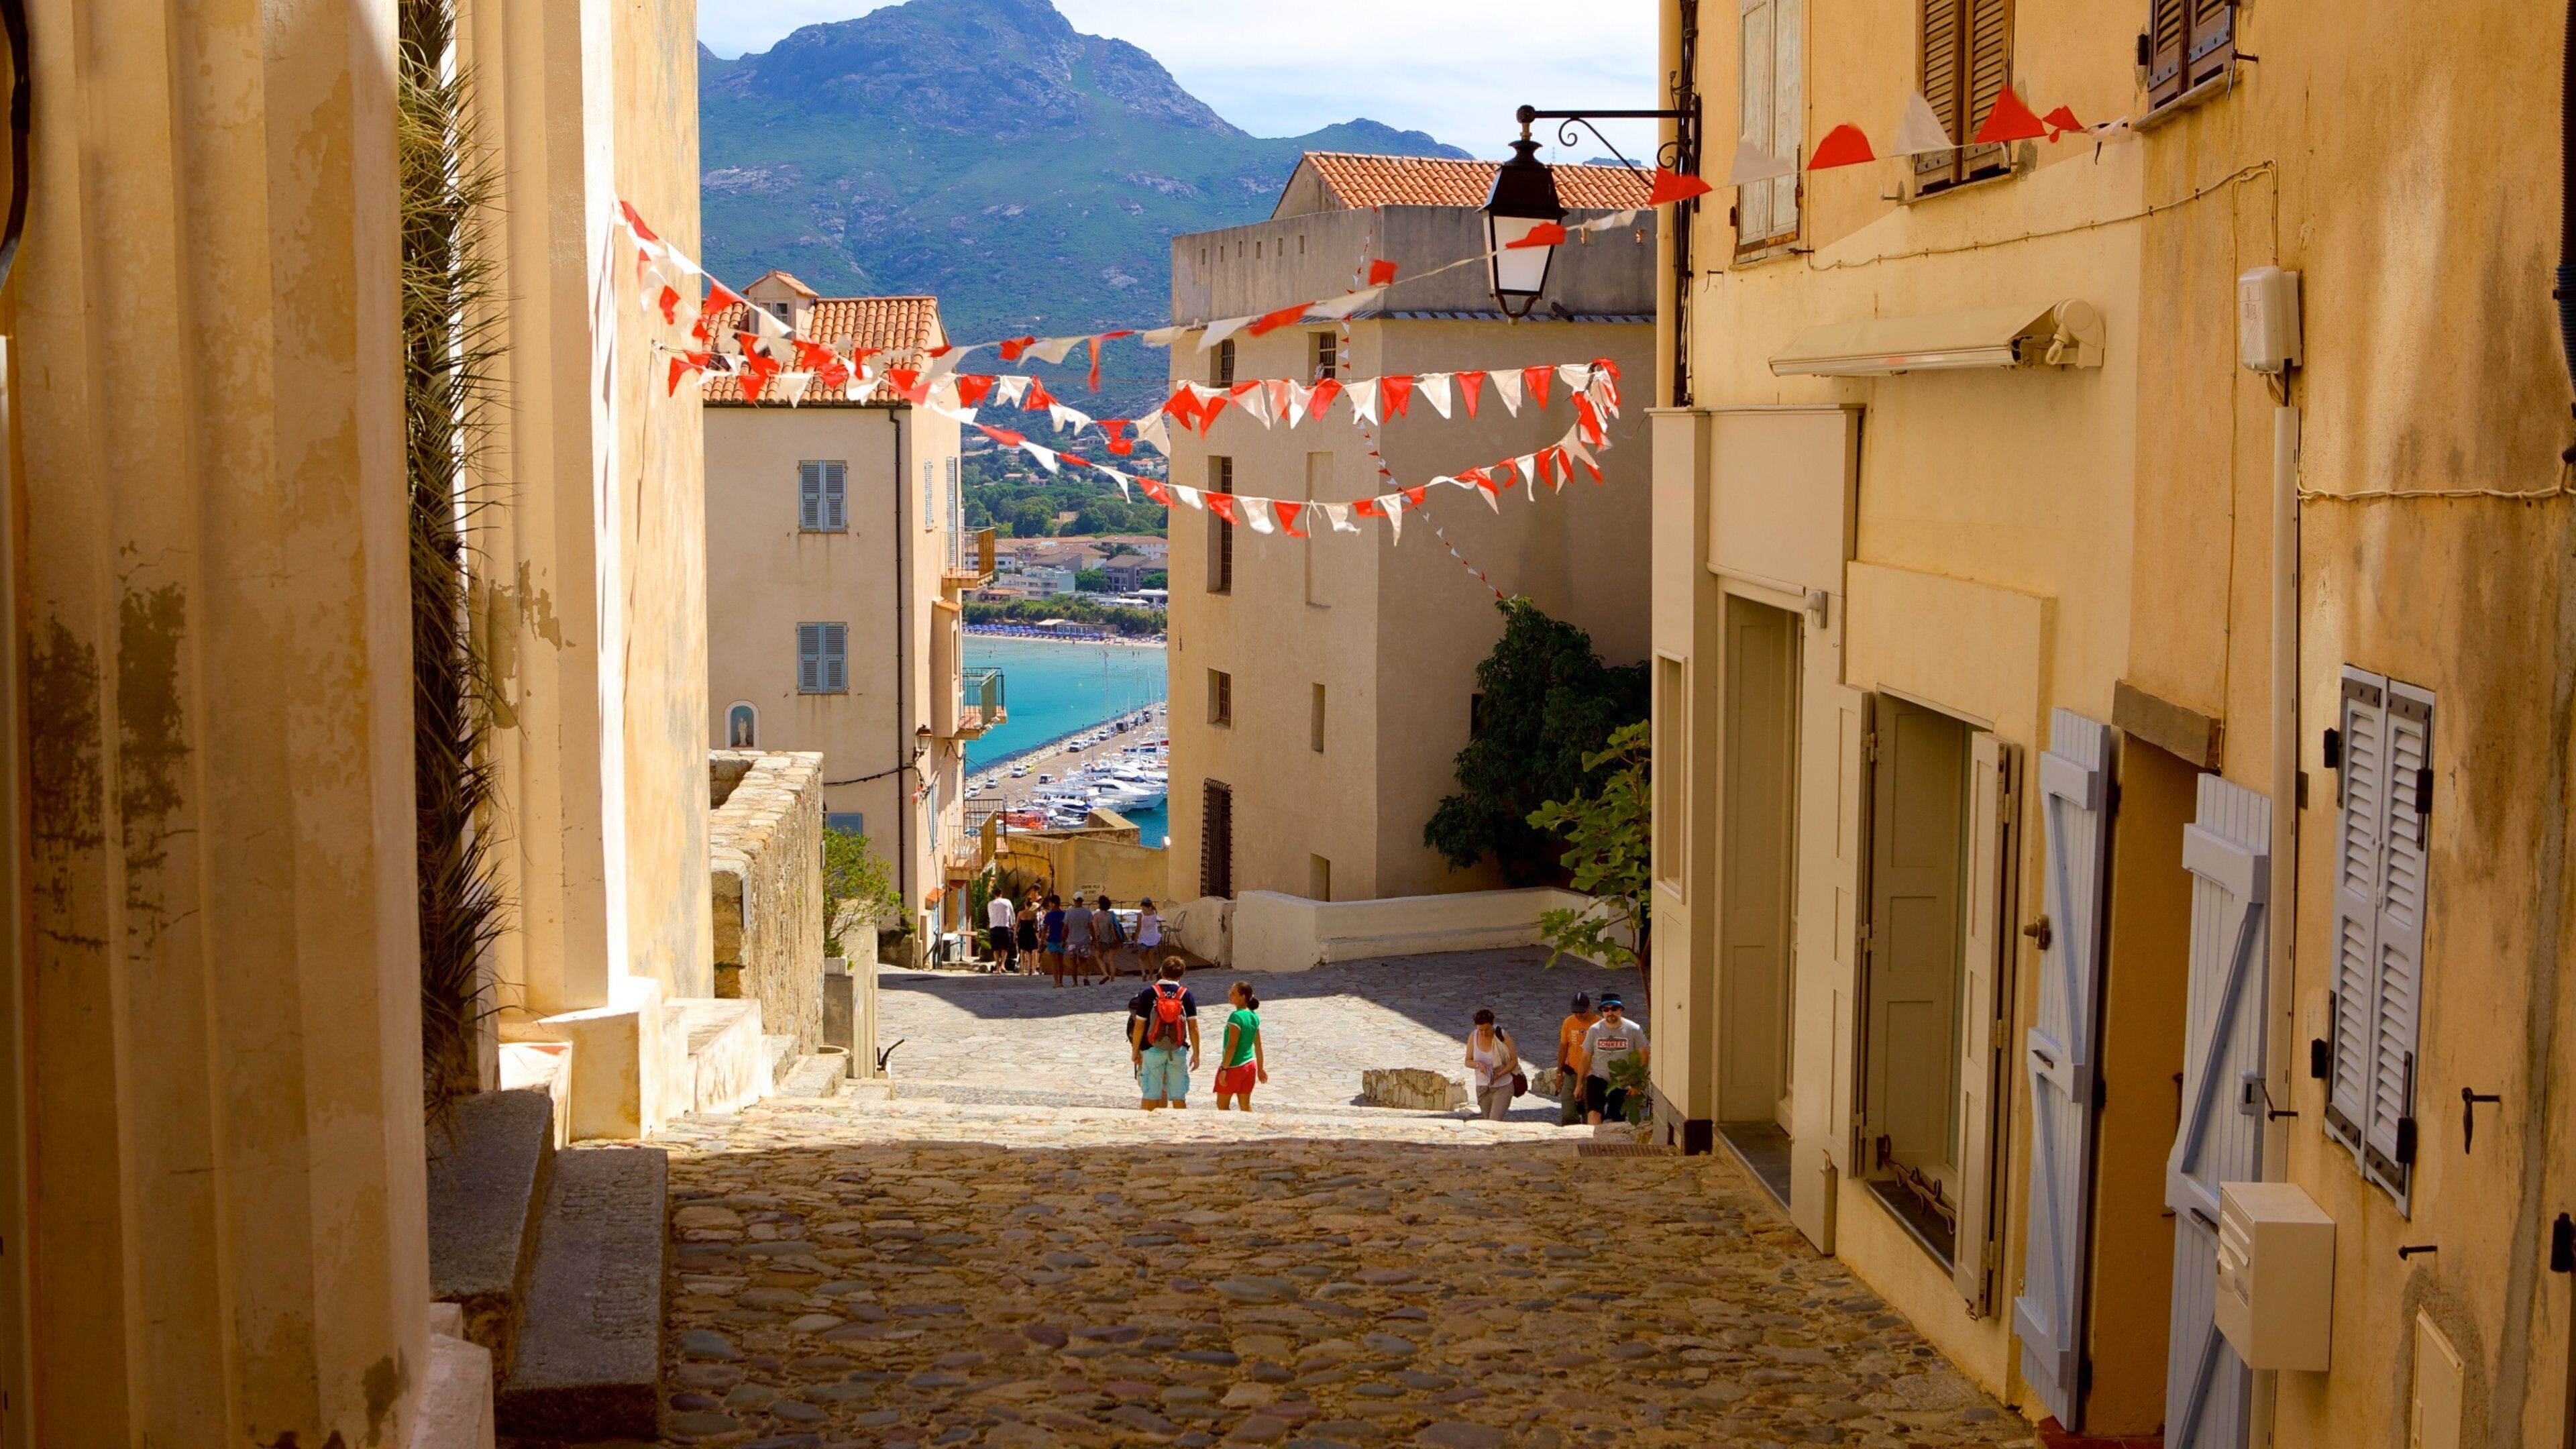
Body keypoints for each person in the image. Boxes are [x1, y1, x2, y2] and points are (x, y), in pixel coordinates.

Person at [1129, 962, 1200, 1110]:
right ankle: (1179, 1123)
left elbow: (1140, 1026)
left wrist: (1135, 1050)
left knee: (1150, 1095)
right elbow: (1193, 1028)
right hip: (1177, 1049)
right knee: (1179, 1097)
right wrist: (1196, 1054)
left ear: (1162, 973)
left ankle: (1146, 1122)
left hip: (1153, 1049)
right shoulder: (1185, 994)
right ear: (1180, 975)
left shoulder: (1149, 993)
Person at [1578, 994, 1650, 1126]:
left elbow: (1644, 1055)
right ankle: (1593, 1138)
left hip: (1622, 1080)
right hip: (1598, 1077)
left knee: (1616, 1119)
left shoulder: (1634, 1029)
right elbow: (1585, 1057)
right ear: (1602, 1012)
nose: (1610, 1012)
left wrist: (1638, 1084)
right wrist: (1579, 1084)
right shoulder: (1594, 1030)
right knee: (1593, 1113)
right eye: (1606, 1009)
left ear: (1621, 1009)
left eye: (1614, 1009)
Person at [1213, 981, 1266, 1110]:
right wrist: (1260, 1069)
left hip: (1234, 1067)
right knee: (1245, 1106)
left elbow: (1232, 1046)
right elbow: (1258, 1046)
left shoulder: (1236, 1017)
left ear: (1242, 997)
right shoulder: (1254, 1017)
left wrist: (1224, 1069)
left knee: (1222, 1105)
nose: (1229, 995)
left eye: (1233, 993)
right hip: (1250, 1066)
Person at [1463, 1009, 1520, 1121]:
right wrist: (1479, 1065)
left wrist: (1499, 1074)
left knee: (1494, 1120)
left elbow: (1514, 1061)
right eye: (1481, 1030)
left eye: (1487, 1029)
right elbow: (1468, 1061)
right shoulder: (1473, 1037)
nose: (1484, 1033)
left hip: (1503, 1086)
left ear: (1492, 1024)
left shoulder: (1502, 1035)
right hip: (1483, 1088)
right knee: (1487, 1122)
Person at [1555, 992, 1599, 1126]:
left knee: (1589, 1114)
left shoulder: (1599, 1024)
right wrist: (1559, 1072)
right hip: (1572, 1072)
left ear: (1589, 1008)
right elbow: (1564, 1047)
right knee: (1568, 1112)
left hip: (1591, 1075)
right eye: (1575, 1012)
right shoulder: (1568, 1022)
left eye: (1582, 1011)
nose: (1579, 1015)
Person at [1092, 894, 1129, 980]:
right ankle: (1112, 979)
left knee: (1099, 957)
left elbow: (1096, 929)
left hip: (1103, 940)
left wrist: (1095, 940)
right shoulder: (1112, 915)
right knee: (1112, 960)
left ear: (1100, 904)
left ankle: (1105, 974)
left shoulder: (1096, 916)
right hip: (1113, 939)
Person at [1061, 895, 1096, 985]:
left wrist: (1063, 940)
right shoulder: (1087, 912)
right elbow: (1091, 927)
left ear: (1074, 900)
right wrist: (1094, 939)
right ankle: (1085, 977)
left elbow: (1065, 928)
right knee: (1084, 961)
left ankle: (1075, 982)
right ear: (1083, 900)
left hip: (1072, 941)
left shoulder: (1069, 912)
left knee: (1072, 962)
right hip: (1084, 941)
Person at [985, 890, 1019, 974]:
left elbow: (990, 915)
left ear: (995, 895)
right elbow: (1012, 914)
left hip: (994, 928)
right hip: (1004, 928)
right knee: (1005, 948)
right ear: (1001, 894)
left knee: (995, 949)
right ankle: (1003, 965)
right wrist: (1013, 924)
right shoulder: (1007, 902)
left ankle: (998, 967)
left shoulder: (990, 904)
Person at [1040, 894, 1068, 987]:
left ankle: (1056, 982)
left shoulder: (1049, 915)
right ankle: (1061, 981)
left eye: (1050, 903)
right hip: (1061, 939)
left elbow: (1045, 928)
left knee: (1054, 962)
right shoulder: (1064, 914)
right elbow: (1067, 928)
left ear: (1054, 904)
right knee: (1060, 962)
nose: (1049, 905)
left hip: (1052, 939)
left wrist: (1042, 940)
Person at [1134, 898, 1163, 973]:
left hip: (1143, 939)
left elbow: (1138, 928)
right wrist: (1151, 904)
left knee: (1142, 959)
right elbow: (1154, 908)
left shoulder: (1140, 915)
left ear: (1142, 905)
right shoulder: (1154, 913)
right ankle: (1151, 976)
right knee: (1151, 959)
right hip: (1153, 939)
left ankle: (1144, 973)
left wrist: (1135, 939)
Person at [1016, 889, 1042, 969]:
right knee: (1029, 951)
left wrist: (1015, 935)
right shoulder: (1034, 914)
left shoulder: (1021, 913)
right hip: (1031, 933)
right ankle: (1030, 968)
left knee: (1022, 951)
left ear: (1025, 904)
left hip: (1022, 933)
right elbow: (1036, 927)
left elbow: (1017, 925)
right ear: (1031, 905)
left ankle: (1022, 969)